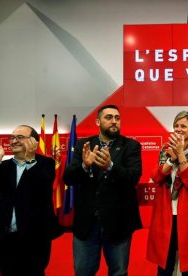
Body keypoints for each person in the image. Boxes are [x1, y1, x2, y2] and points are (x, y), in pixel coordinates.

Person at [63, 104, 142, 276]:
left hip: (118, 223)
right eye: (109, 117)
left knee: (119, 272)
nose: (114, 121)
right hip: (87, 224)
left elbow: (133, 177)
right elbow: (68, 178)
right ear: (98, 121)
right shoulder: (84, 144)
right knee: (83, 271)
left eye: (117, 118)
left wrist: (111, 167)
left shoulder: (131, 146)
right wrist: (84, 165)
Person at [0, 125, 63, 276]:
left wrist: (30, 160)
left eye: (19, 137)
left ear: (34, 141)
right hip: (6, 238)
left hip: (34, 239)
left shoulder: (46, 164)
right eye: (12, 137)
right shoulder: (3, 166)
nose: (14, 141)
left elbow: (42, 191)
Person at [147, 111, 188, 276]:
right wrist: (170, 159)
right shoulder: (165, 149)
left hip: (187, 216)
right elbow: (156, 177)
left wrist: (180, 155)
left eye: (183, 126)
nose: (178, 129)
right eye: (176, 126)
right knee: (165, 262)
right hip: (165, 214)